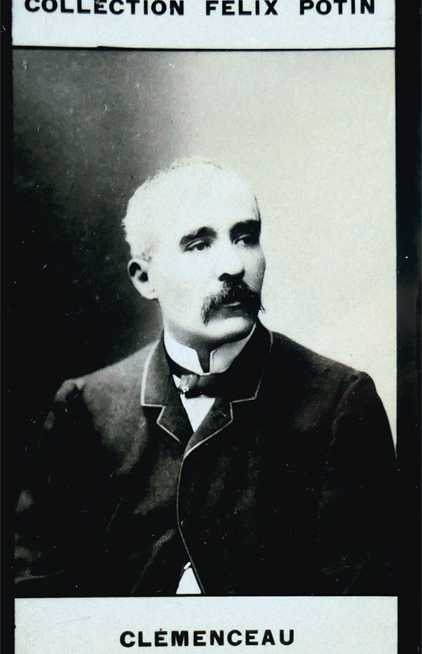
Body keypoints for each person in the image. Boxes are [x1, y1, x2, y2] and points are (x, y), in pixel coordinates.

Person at [15, 159, 396, 597]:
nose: (233, 265)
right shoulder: (85, 408)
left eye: (245, 238)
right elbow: (37, 600)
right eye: (198, 245)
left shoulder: (340, 402)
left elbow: (362, 611)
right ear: (144, 278)